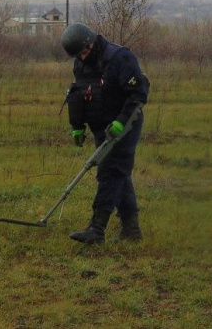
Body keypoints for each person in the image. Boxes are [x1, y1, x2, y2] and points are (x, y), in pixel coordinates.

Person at [60, 22, 149, 244]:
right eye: (77, 55)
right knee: (120, 174)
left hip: (126, 123)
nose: (82, 58)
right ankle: (131, 229)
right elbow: (78, 95)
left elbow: (138, 93)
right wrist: (77, 126)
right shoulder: (80, 65)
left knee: (110, 171)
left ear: (92, 42)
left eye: (84, 52)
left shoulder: (119, 58)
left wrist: (121, 122)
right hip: (101, 127)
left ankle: (96, 229)